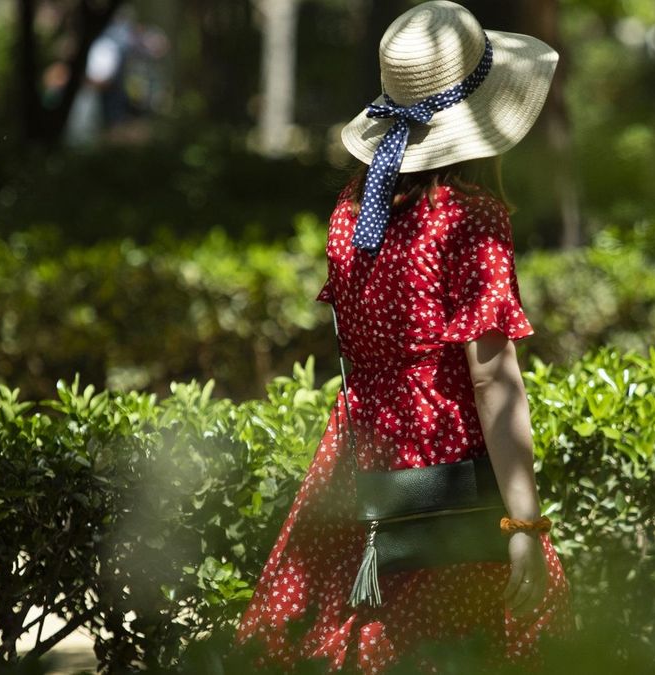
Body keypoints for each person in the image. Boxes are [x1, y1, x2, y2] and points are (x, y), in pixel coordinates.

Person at [233, 2, 572, 672]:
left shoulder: (352, 211)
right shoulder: (470, 218)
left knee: (346, 639)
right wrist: (525, 524)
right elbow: (492, 378)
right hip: (448, 463)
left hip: (363, 456)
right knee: (478, 641)